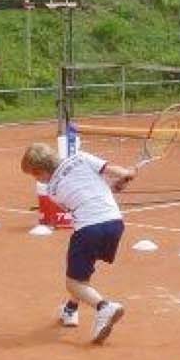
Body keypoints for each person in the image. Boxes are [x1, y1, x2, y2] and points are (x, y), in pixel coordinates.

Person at [20, 141, 132, 343]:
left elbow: (76, 200)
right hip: (115, 223)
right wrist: (123, 176)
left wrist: (117, 183)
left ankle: (104, 307)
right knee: (83, 274)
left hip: (89, 229)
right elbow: (110, 175)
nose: (39, 181)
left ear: (41, 171)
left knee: (73, 283)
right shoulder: (81, 157)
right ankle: (71, 310)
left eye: (35, 176)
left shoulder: (52, 190)